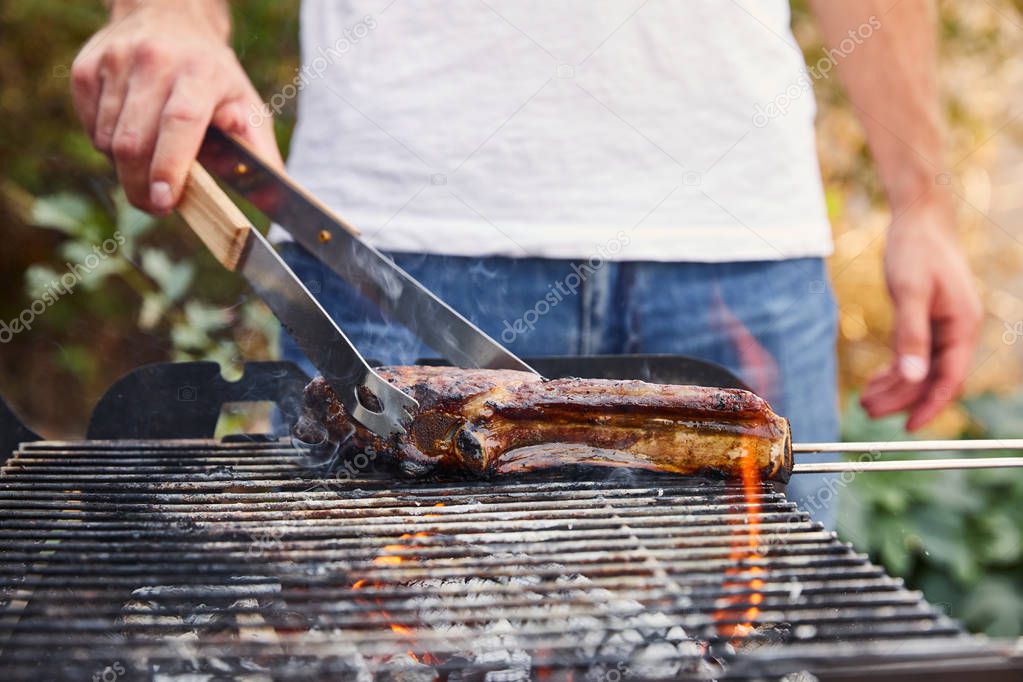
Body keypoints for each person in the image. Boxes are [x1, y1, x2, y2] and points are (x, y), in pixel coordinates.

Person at [71, 0, 981, 529]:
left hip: (739, 248)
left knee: (768, 649)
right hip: (385, 249)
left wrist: (923, 202)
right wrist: (165, 14)